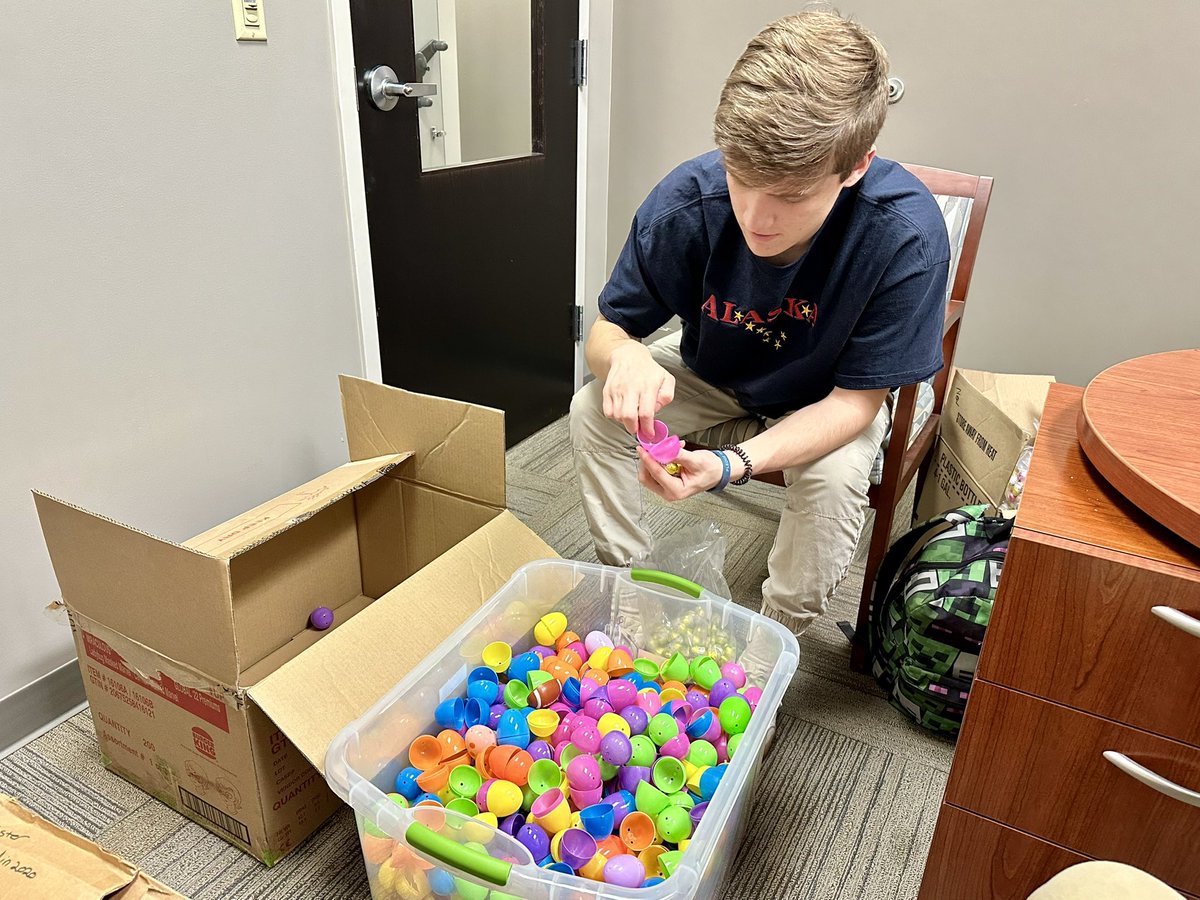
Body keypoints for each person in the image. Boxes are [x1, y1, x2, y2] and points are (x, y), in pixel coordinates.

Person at [570, 10, 950, 637]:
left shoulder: (904, 235)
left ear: (855, 167)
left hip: (830, 394)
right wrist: (624, 357)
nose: (755, 217)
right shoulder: (687, 203)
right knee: (592, 413)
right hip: (714, 371)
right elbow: (609, 329)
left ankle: (774, 641)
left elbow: (856, 405)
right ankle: (634, 586)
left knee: (833, 481)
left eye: (792, 196)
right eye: (740, 179)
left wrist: (733, 464)